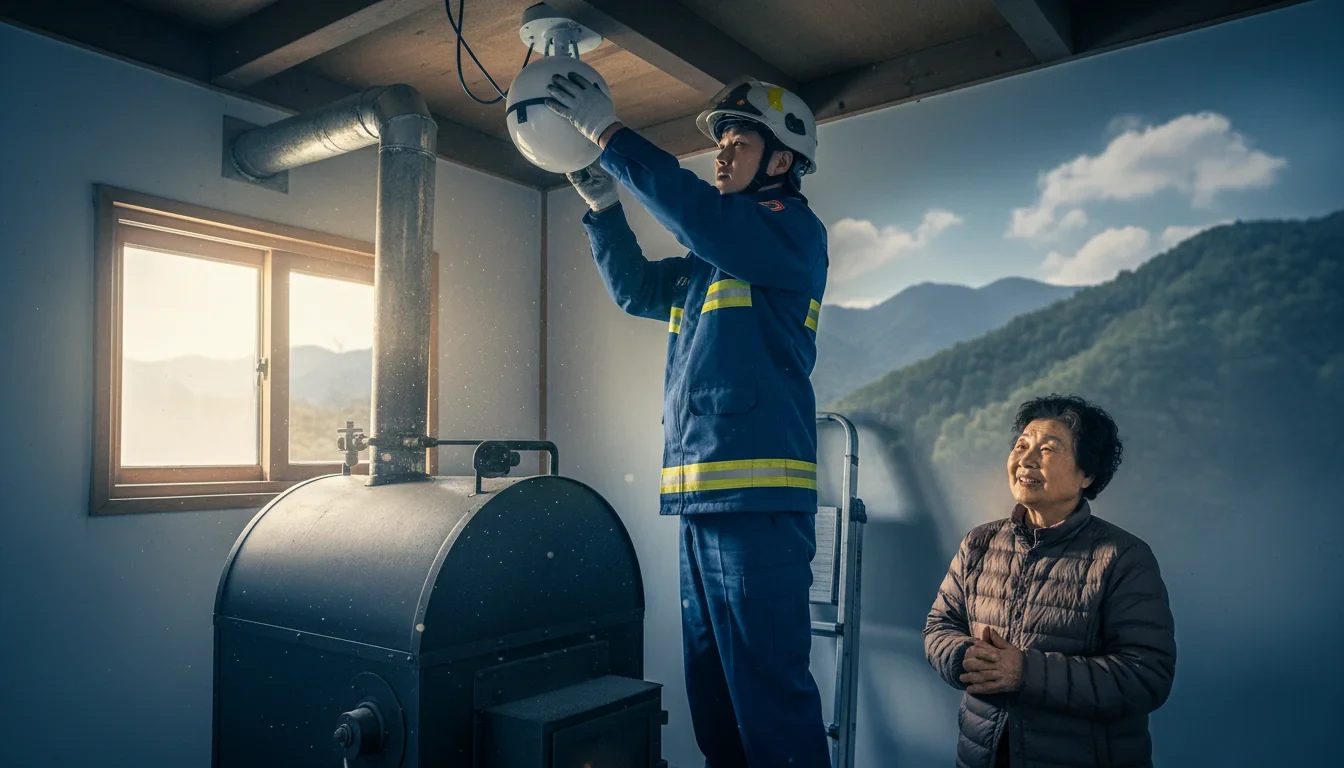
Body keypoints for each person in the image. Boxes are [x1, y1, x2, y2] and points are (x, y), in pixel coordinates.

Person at [545, 73, 832, 766]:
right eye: (720, 144)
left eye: (739, 142)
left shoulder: (790, 234)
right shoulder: (708, 265)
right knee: (715, 696)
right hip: (703, 501)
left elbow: (701, 215)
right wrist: (604, 207)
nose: (722, 154)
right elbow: (638, 289)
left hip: (757, 506)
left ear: (783, 160)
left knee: (769, 696)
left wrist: (612, 137)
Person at [924, 395, 1177, 768]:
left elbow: (1146, 677)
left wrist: (1024, 672)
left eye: (1048, 449)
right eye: (1022, 445)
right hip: (982, 754)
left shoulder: (1123, 557)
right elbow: (938, 627)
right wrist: (967, 657)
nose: (1026, 459)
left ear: (1087, 475)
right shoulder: (979, 542)